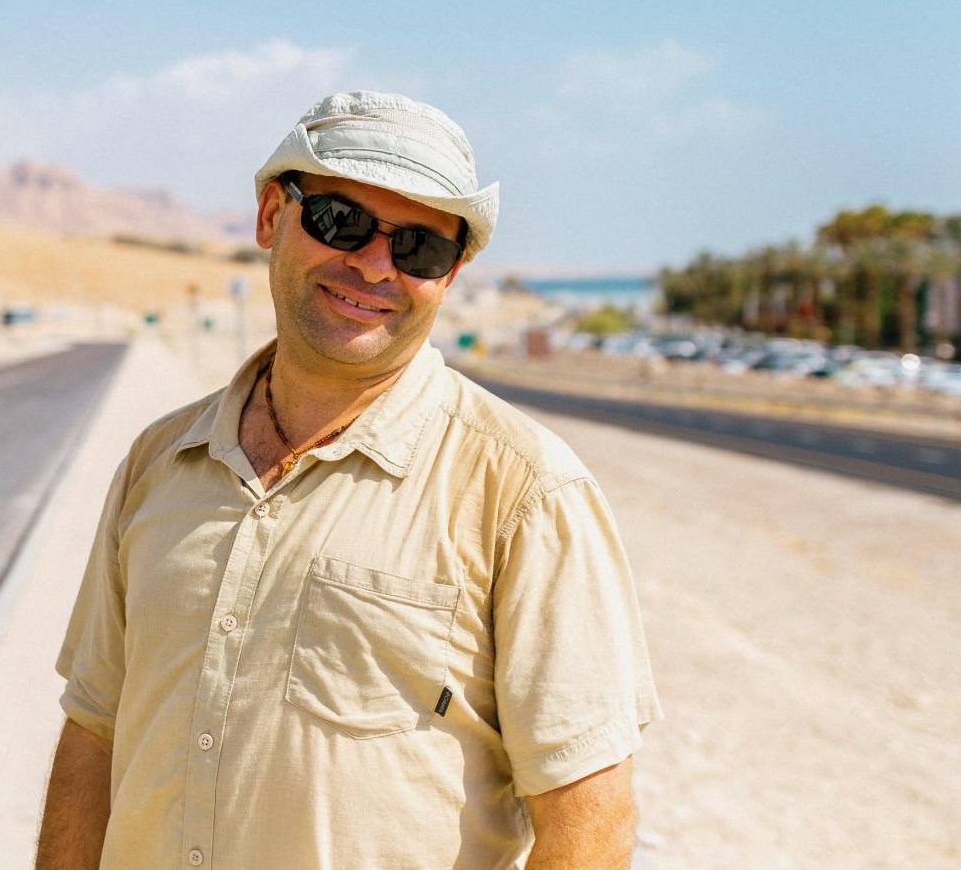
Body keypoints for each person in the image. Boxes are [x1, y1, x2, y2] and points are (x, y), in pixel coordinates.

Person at [38, 91, 660, 870]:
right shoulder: (158, 463)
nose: (373, 265)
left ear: (452, 273)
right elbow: (94, 729)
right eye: (340, 220)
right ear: (271, 216)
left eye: (419, 248)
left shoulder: (525, 492)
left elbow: (588, 823)